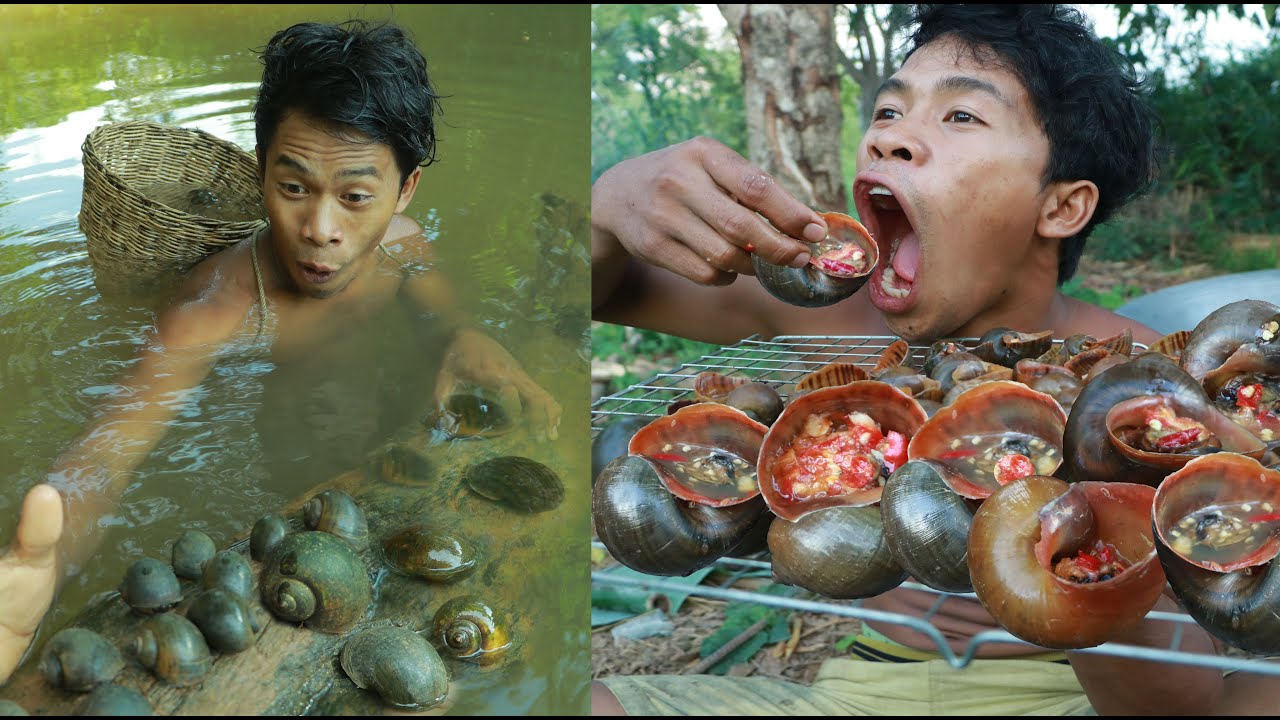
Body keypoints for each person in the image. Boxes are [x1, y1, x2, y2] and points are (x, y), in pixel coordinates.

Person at [591, 4, 1270, 716]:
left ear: (1063, 207)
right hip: (869, 689)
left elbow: (1174, 703)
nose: (891, 138)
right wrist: (605, 210)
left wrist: (1098, 504)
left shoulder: (1150, 389)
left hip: (1075, 694)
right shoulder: (830, 322)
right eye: (888, 110)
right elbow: (601, 288)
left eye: (961, 118)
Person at [0, 18, 561, 684]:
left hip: (367, 422)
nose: (320, 231)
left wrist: (467, 337)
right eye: (293, 188)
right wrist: (43, 563)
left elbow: (446, 325)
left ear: (405, 190)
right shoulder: (211, 312)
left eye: (356, 197)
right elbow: (108, 452)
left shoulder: (405, 248)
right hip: (275, 439)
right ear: (261, 169)